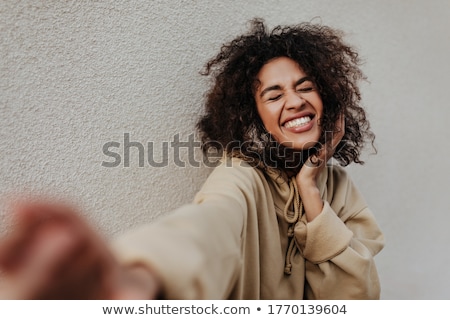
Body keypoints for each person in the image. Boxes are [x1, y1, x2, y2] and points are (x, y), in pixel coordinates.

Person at [0, 18, 384, 300]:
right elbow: (206, 228)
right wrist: (136, 281)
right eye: (274, 95)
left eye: (306, 88)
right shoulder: (241, 176)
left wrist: (310, 191)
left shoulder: (339, 189)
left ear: (327, 99)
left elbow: (358, 299)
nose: (295, 102)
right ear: (255, 116)